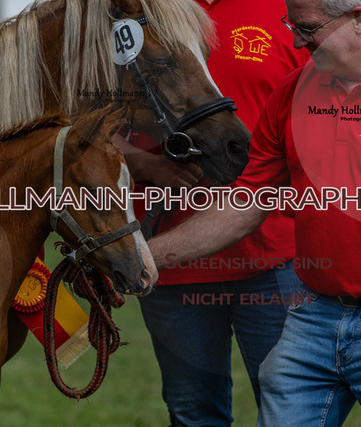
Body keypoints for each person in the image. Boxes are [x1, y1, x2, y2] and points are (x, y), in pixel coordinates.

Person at [148, 0, 361, 424]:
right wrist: (144, 256)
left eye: (308, 28)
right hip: (312, 316)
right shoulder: (293, 91)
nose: (296, 41)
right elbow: (246, 202)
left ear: (358, 19)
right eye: (291, 25)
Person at [117, 0, 308, 424]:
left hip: (272, 257)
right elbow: (83, 120)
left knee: (291, 410)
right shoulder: (135, 14)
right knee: (193, 412)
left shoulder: (287, 10)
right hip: (172, 260)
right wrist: (142, 163)